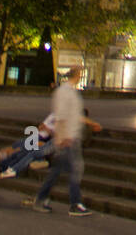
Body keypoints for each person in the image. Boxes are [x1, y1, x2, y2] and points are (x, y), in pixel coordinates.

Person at [22, 65, 93, 215]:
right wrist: (62, 137)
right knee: (75, 169)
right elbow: (60, 116)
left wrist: (91, 123)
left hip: (71, 136)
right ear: (76, 75)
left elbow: (72, 114)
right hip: (68, 138)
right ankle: (75, 203)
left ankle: (41, 199)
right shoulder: (64, 92)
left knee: (58, 171)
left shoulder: (71, 92)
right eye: (79, 73)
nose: (80, 76)